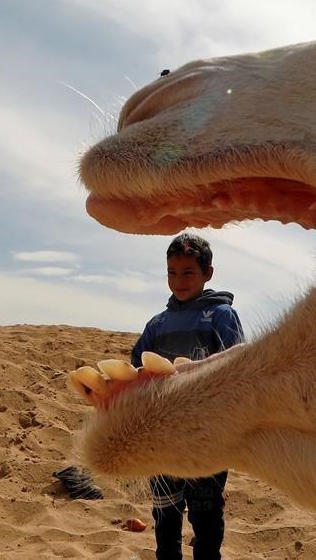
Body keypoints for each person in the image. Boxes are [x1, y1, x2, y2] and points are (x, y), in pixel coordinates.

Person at [131, 232, 243, 560]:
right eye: (171, 272)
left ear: (208, 273)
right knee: (165, 516)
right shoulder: (158, 323)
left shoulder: (221, 316)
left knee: (205, 516)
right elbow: (136, 368)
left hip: (208, 436)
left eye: (188, 272)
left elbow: (234, 365)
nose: (178, 281)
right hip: (161, 436)